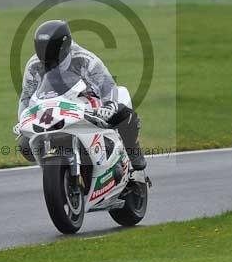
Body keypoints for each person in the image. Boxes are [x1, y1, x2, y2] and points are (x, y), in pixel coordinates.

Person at [17, 19, 147, 170]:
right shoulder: (33, 65)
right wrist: (22, 119)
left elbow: (107, 85)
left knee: (123, 113)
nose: (47, 57)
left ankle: (133, 154)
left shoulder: (85, 58)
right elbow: (26, 96)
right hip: (53, 109)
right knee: (25, 145)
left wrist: (109, 105)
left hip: (87, 104)